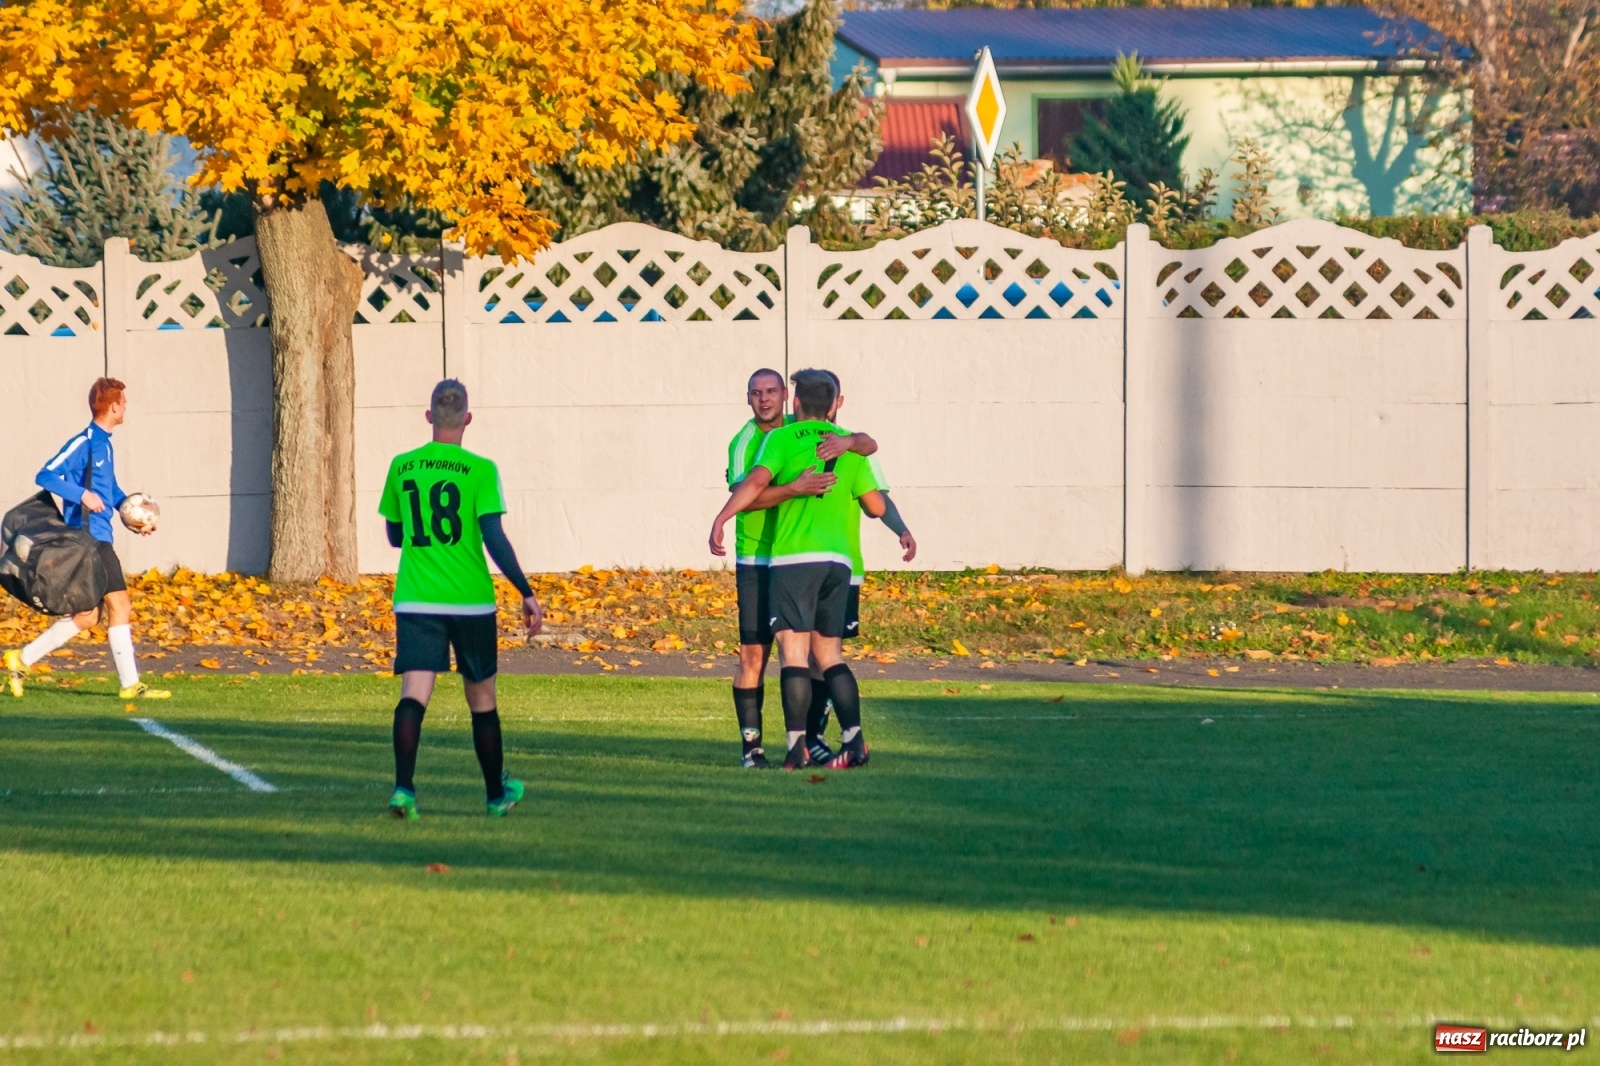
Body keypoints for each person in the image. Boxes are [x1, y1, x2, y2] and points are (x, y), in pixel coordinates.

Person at [378, 379, 543, 819]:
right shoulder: (481, 470)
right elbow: (493, 537)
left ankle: (403, 791)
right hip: (470, 601)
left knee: (414, 694)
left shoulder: (402, 466)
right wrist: (525, 591)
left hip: (417, 599)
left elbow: (395, 535)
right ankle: (495, 796)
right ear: (467, 418)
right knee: (482, 700)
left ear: (429, 416)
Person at [711, 369, 886, 770]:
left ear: (791, 400)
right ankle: (758, 749)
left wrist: (720, 518)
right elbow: (748, 494)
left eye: (771, 391)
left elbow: (865, 443)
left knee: (800, 656)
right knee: (765, 655)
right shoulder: (746, 442)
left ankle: (803, 744)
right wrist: (797, 487)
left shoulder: (791, 435)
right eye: (756, 392)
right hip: (771, 558)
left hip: (792, 559)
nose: (764, 399)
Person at [5, 377, 167, 700]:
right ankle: (130, 685)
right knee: (120, 604)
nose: (126, 407)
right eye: (124, 403)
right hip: (88, 540)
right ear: (113, 406)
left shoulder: (105, 444)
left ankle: (21, 659)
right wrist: (81, 495)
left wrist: (132, 516)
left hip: (100, 536)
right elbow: (45, 475)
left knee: (87, 616)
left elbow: (110, 490)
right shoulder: (84, 442)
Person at [805, 369, 918, 765]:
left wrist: (901, 528)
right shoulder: (849, 447)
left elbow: (877, 501)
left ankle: (824, 738)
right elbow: (875, 503)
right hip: (836, 566)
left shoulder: (847, 447)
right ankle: (820, 738)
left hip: (806, 565)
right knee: (818, 654)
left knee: (815, 654)